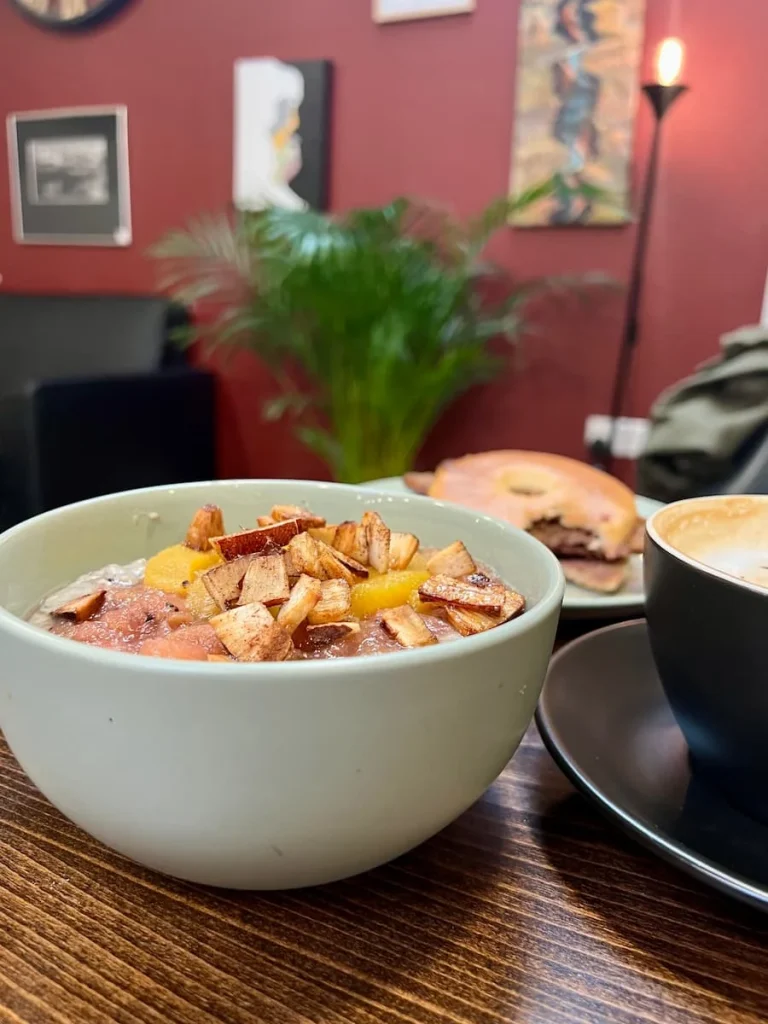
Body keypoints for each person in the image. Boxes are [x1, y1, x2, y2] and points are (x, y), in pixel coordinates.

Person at [234, 57, 307, 211]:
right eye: (286, 109)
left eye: (293, 110)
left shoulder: (285, 147)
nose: (294, 122)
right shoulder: (258, 151)